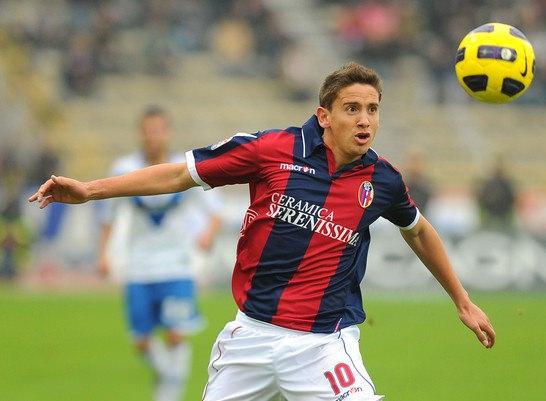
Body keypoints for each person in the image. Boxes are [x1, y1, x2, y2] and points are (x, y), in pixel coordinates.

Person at [30, 62, 495, 400]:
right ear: (324, 115)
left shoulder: (383, 180)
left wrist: (461, 299)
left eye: (372, 109)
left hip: (323, 344)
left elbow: (418, 231)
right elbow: (178, 175)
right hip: (250, 339)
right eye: (352, 108)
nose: (365, 120)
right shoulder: (270, 150)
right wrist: (90, 190)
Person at [97, 106, 224, 401]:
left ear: (168, 133)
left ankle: (168, 393)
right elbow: (108, 216)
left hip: (176, 267)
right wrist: (103, 254)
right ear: (140, 133)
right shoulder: (124, 169)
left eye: (158, 130)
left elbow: (216, 211)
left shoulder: (185, 167)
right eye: (147, 131)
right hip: (138, 267)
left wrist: (207, 234)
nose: (153, 136)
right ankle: (169, 377)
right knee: (141, 341)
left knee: (176, 334)